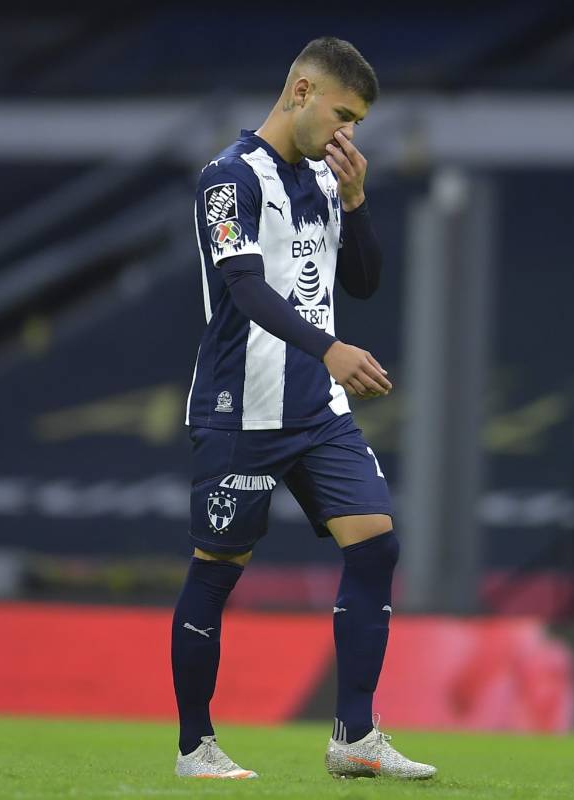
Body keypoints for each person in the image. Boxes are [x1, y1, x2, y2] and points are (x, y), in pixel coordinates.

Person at [171, 36, 435, 781]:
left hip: (317, 411)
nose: (348, 134)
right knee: (218, 567)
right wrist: (329, 350)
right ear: (300, 92)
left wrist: (356, 200)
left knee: (377, 541)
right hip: (239, 408)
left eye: (358, 122)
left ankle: (355, 736)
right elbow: (245, 290)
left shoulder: (324, 178)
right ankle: (197, 747)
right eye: (342, 114)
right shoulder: (227, 179)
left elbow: (363, 282)